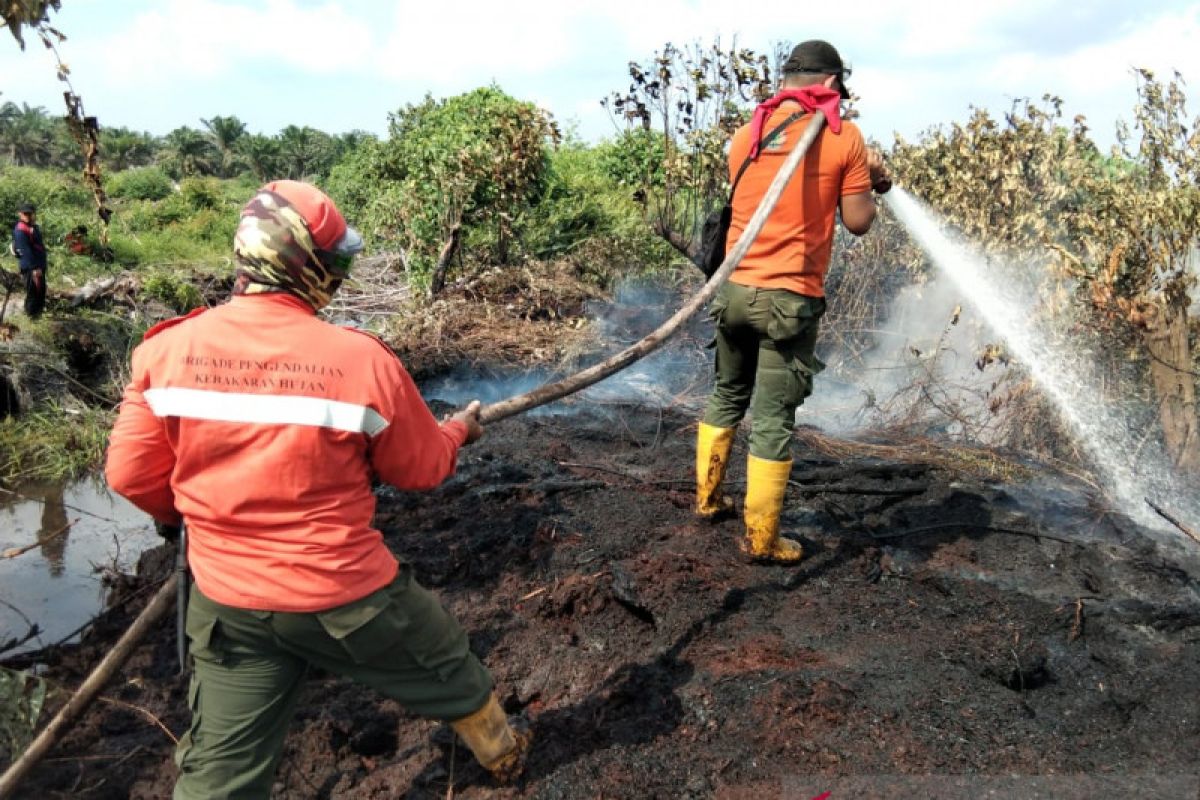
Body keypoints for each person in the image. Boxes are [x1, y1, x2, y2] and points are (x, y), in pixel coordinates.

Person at [105, 180, 530, 797]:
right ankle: (506, 756)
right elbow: (421, 470)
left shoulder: (166, 351)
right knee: (451, 667)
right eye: (335, 261)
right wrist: (458, 431)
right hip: (344, 596)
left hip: (227, 603)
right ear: (307, 266)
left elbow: (129, 475)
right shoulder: (360, 361)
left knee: (220, 771)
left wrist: (193, 518)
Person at [695, 39, 889, 563]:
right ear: (829, 84)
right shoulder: (843, 137)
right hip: (788, 301)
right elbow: (858, 222)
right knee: (774, 417)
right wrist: (870, 182)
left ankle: (710, 500)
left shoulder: (746, 135)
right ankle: (762, 539)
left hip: (733, 292)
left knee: (727, 393)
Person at [11, 203, 47, 318]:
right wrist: (34, 268)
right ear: (20, 214)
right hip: (31, 267)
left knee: (40, 290)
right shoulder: (21, 230)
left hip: (38, 265)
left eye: (30, 214)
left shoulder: (33, 226)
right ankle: (31, 316)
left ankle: (38, 315)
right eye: (25, 214)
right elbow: (26, 251)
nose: (28, 216)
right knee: (33, 292)